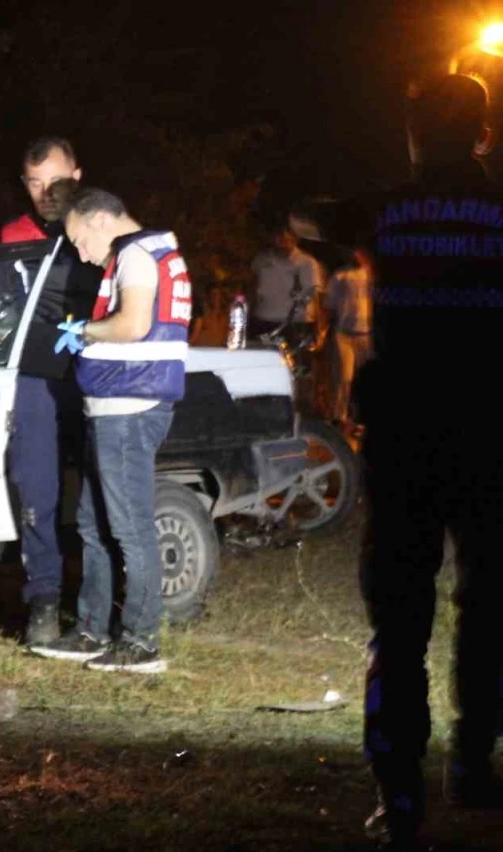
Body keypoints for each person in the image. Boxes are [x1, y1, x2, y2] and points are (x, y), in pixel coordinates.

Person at [295, 73, 503, 850]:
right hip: (489, 431)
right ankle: (473, 763)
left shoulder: (383, 211)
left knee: (400, 617)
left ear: (414, 136)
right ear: (483, 134)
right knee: (489, 605)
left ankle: (400, 796)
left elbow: (305, 215)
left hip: (405, 435)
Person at [28, 181, 190, 674]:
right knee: (93, 525)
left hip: (128, 407)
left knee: (128, 528)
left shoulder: (136, 256)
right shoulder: (151, 253)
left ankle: (141, 642)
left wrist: (83, 331)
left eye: (80, 240)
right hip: (118, 407)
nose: (82, 253)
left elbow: (133, 324)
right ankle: (91, 630)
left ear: (98, 218)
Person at [0, 136, 102, 647]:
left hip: (97, 373)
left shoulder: (102, 230)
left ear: (77, 176)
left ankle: (102, 604)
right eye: (34, 183)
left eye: (55, 181)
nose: (45, 194)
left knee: (101, 489)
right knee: (37, 490)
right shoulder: (14, 235)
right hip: (33, 378)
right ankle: (45, 603)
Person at [320, 249, 372, 431]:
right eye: (353, 252)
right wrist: (322, 331)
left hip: (367, 334)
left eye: (360, 252)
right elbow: (328, 306)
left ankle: (360, 418)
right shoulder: (340, 276)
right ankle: (339, 417)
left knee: (364, 378)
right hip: (343, 334)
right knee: (344, 377)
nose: (356, 256)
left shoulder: (373, 275)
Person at [248, 222, 325, 342]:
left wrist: (318, 329)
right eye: (279, 233)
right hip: (263, 322)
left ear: (296, 237)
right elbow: (252, 289)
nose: (284, 237)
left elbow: (316, 298)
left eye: (288, 233)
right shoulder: (261, 260)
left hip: (296, 324)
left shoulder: (307, 263)